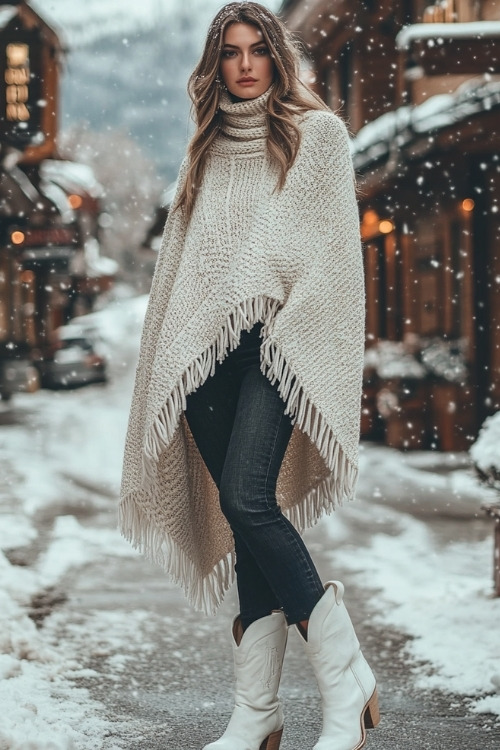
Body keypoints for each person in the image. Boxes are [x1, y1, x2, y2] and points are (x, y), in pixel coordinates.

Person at [119, 3, 379, 749]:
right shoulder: (201, 153)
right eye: (229, 52)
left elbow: (330, 262)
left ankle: (346, 678)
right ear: (214, 64)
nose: (243, 64)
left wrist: (285, 325)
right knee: (244, 520)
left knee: (247, 497)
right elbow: (183, 270)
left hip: (277, 351)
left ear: (276, 56)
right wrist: (174, 351)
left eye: (256, 50)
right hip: (206, 361)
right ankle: (256, 712)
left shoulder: (317, 137)